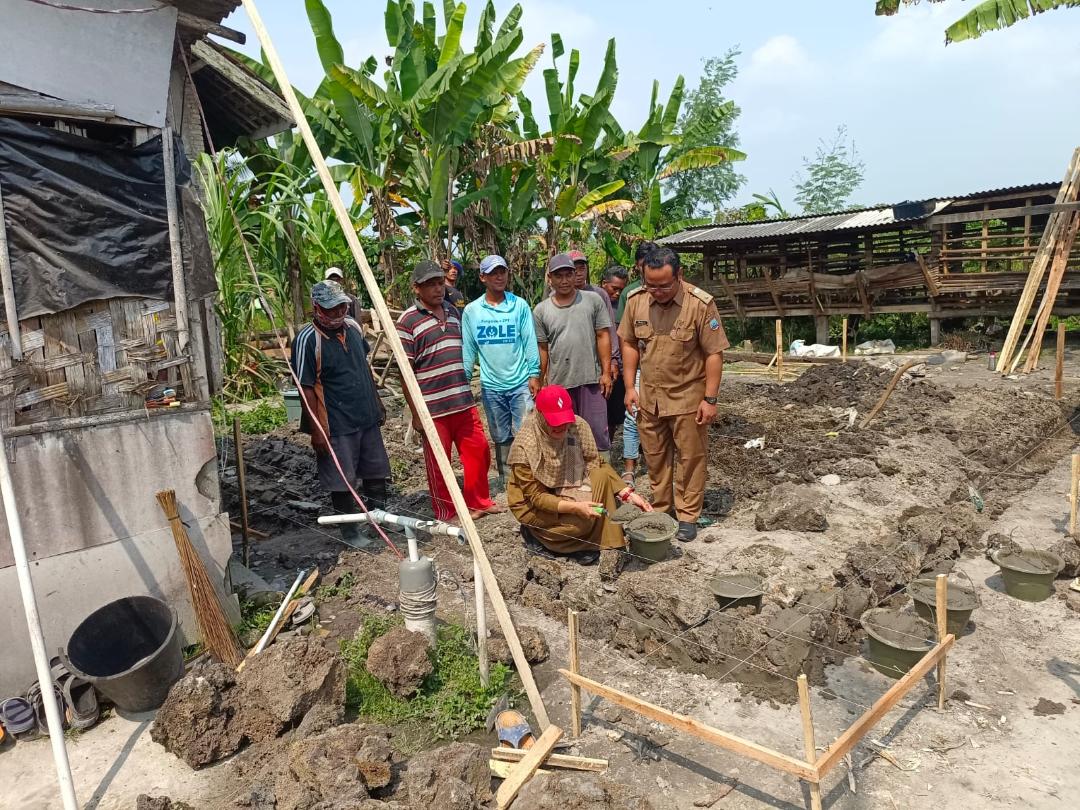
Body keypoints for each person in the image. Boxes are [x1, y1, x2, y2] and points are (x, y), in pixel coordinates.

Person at [619, 246, 728, 542]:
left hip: (688, 398)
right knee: (655, 457)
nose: (657, 291)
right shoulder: (636, 301)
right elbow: (628, 343)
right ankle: (663, 508)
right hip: (649, 397)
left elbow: (714, 353)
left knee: (691, 458)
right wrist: (630, 387)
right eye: (651, 285)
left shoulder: (700, 304)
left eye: (664, 285)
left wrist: (710, 398)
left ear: (679, 275)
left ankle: (688, 515)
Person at [397, 260, 503, 522]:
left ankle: (478, 501)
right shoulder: (408, 321)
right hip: (432, 406)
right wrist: (416, 412)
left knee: (478, 450)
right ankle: (446, 511)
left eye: (439, 282)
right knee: (439, 462)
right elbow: (405, 371)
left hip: (462, 401)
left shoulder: (455, 313)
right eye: (430, 284)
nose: (437, 288)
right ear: (416, 288)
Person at [292, 280, 390, 548]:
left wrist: (377, 402)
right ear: (317, 308)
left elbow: (364, 368)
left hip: (365, 414)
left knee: (375, 470)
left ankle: (379, 520)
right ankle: (351, 533)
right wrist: (316, 429)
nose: (338, 313)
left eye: (342, 307)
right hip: (335, 421)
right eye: (332, 309)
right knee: (342, 479)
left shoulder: (354, 329)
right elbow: (306, 387)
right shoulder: (307, 340)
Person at [506, 384, 651, 564]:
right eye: (554, 422)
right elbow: (536, 497)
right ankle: (537, 535)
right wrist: (576, 507)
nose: (561, 427)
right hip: (534, 504)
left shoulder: (576, 426)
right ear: (540, 416)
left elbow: (596, 462)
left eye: (564, 421)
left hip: (567, 482)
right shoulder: (525, 446)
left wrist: (626, 493)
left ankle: (599, 540)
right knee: (579, 524)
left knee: (601, 479)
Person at [461, 255, 541, 483]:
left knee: (527, 432)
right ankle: (508, 481)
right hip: (491, 386)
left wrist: (534, 374)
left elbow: (529, 341)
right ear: (482, 277)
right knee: (500, 435)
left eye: (502, 271)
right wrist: (464, 381)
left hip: (520, 382)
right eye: (493, 273)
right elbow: (468, 349)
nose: (499, 276)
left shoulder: (519, 305)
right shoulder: (472, 311)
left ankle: (530, 478)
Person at [533, 253, 613, 457]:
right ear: (550, 278)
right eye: (559, 276)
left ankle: (602, 479)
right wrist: (540, 380)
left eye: (569, 274)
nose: (565, 280)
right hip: (561, 382)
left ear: (576, 274)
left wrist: (606, 372)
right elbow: (543, 348)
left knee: (597, 432)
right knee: (567, 432)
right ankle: (573, 479)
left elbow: (603, 335)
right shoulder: (541, 310)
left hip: (591, 380)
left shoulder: (592, 300)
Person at [614, 242, 657, 484]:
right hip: (641, 366)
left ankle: (658, 465)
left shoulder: (674, 290)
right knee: (633, 417)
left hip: (666, 368)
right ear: (638, 267)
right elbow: (625, 337)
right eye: (644, 266)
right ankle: (629, 467)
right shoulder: (630, 294)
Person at [599, 265, 629, 448]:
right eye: (614, 288)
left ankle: (606, 447)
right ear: (604, 284)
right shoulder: (595, 303)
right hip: (600, 365)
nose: (617, 293)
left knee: (613, 414)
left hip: (618, 367)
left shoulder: (624, 306)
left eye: (621, 289)